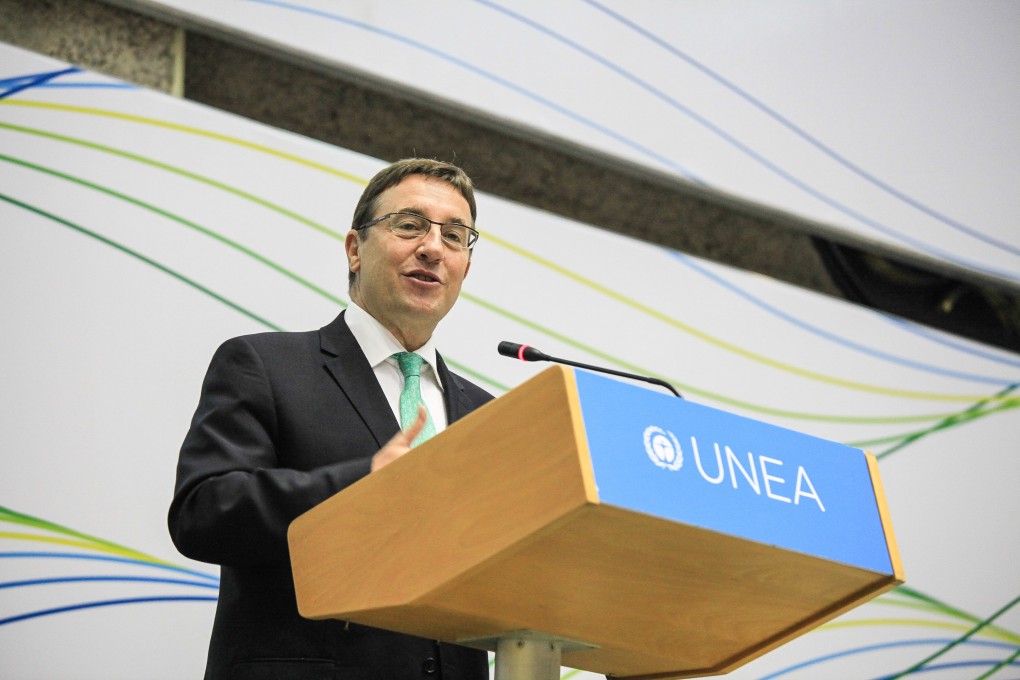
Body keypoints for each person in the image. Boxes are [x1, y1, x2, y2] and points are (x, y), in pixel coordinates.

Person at [169, 158, 493, 679]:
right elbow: (203, 514)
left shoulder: (488, 416)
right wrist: (362, 485)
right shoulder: (265, 366)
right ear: (354, 249)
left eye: (454, 236)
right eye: (409, 225)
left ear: (464, 268)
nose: (433, 247)